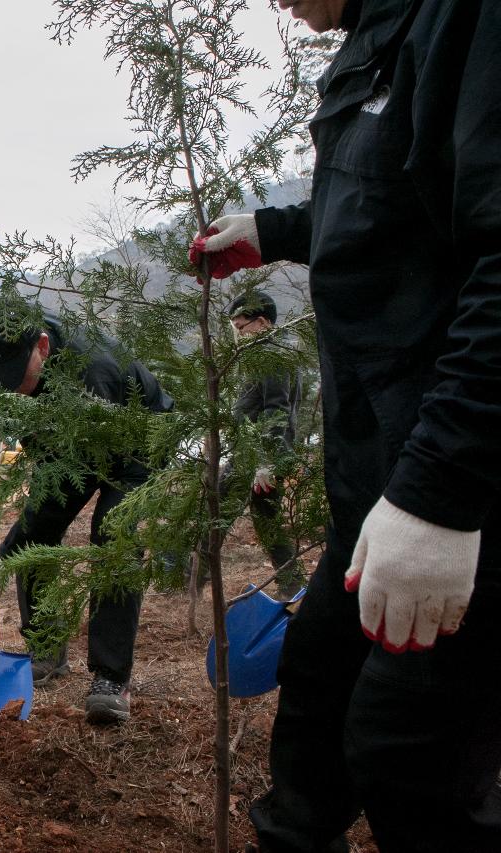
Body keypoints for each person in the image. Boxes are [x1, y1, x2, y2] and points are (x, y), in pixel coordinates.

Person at [189, 2, 501, 849]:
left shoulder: (470, 22)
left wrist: (443, 495)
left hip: (451, 496)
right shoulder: (376, 31)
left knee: (410, 755)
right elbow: (389, 204)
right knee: (316, 705)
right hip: (371, 492)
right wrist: (276, 230)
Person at [0, 307, 173, 724]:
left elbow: (76, 462)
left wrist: (7, 548)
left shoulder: (93, 369)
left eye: (12, 377)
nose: (8, 389)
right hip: (70, 442)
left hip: (136, 442)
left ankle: (111, 677)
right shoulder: (7, 346)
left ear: (42, 347)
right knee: (32, 537)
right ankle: (46, 648)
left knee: (114, 540)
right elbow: (23, 412)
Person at [191, 291, 305, 599]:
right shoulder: (262, 353)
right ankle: (293, 585)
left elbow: (276, 411)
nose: (237, 334)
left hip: (258, 456)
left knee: (218, 510)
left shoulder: (274, 357)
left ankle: (190, 581)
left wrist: (266, 461)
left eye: (242, 327)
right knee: (266, 521)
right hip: (253, 453)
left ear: (263, 322)